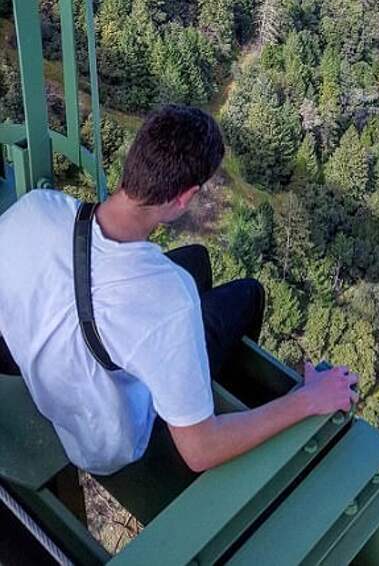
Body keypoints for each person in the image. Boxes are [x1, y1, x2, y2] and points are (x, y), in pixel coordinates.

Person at [0, 105, 358, 475]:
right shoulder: (169, 298)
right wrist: (309, 399)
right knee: (247, 294)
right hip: (104, 441)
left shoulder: (37, 208)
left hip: (48, 374)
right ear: (185, 197)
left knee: (197, 259)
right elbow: (202, 452)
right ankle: (201, 397)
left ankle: (189, 384)